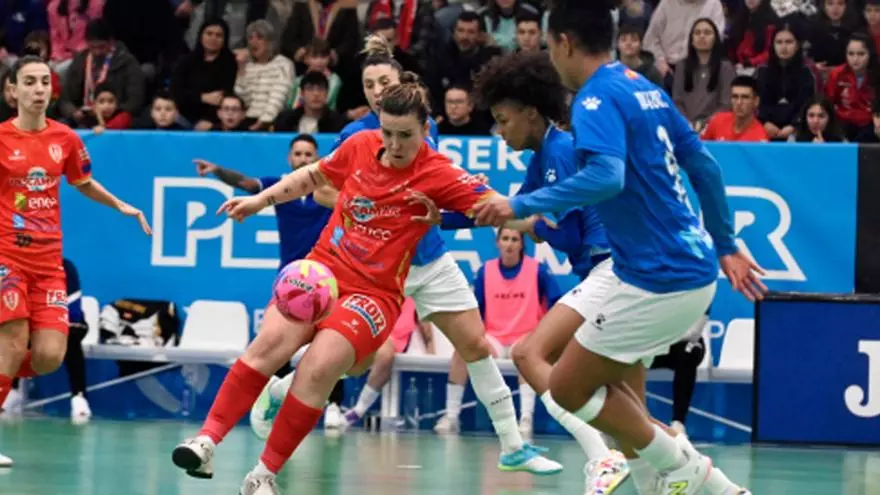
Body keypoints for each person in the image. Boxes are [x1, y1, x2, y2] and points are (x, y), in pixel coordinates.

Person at [170, 81, 527, 494]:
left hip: (374, 294)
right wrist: (259, 200)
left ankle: (263, 475)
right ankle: (207, 441)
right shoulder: (359, 145)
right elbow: (313, 175)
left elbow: (503, 208)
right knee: (268, 343)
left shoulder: (440, 172)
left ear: (426, 129)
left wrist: (544, 213)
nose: (394, 144)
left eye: (405, 135)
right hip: (323, 271)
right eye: (388, 132)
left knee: (319, 367)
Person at [471, 1, 765, 494]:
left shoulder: (592, 101)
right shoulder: (643, 88)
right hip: (687, 271)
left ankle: (690, 470)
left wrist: (520, 204)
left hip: (656, 278)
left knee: (566, 386)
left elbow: (607, 177)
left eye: (549, 45)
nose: (550, 57)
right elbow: (705, 167)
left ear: (564, 42)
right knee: (620, 394)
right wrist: (725, 244)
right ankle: (704, 484)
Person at [250, 34, 562, 476]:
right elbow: (323, 193)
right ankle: (281, 390)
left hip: (429, 260)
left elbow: (439, 185)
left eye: (384, 82)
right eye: (369, 84)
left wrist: (473, 192)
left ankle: (512, 445)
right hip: (373, 272)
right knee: (355, 362)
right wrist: (380, 209)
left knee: (475, 344)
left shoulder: (422, 126)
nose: (377, 91)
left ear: (402, 85)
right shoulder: (355, 136)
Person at [417, 51, 629, 492]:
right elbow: (505, 213)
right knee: (625, 399)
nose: (499, 132)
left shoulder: (562, 152)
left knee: (528, 355)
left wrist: (536, 226)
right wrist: (441, 218)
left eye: (503, 120)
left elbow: (567, 235)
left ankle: (602, 457)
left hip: (611, 271)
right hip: (608, 275)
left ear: (531, 113)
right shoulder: (542, 158)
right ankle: (709, 483)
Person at [0, 55, 152, 468]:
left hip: (49, 263)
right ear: (12, 90)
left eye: (43, 82)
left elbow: (82, 181)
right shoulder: (2, 138)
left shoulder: (64, 138)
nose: (38, 89)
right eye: (29, 82)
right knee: (12, 342)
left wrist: (121, 205)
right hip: (7, 257)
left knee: (49, 356)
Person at [194, 134, 350, 429]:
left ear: (317, 158)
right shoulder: (281, 187)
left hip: (328, 278)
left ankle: (334, 405)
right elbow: (248, 185)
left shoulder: (330, 191)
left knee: (331, 341)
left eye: (308, 154)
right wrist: (217, 171)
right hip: (291, 280)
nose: (303, 159)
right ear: (289, 158)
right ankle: (273, 404)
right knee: (278, 340)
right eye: (298, 154)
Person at [439, 227, 563, 435]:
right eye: (505, 238)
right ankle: (451, 417)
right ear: (497, 243)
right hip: (494, 339)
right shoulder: (485, 272)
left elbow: (556, 305)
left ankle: (525, 419)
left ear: (522, 245)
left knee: (526, 355)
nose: (509, 244)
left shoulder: (538, 270)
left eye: (514, 239)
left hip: (525, 336)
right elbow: (475, 311)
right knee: (461, 352)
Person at [343, 297, 435, 426]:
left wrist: (432, 359)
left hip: (393, 343)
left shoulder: (415, 297)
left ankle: (358, 410)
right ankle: (353, 408)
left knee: (386, 354)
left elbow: (428, 335)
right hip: (370, 335)